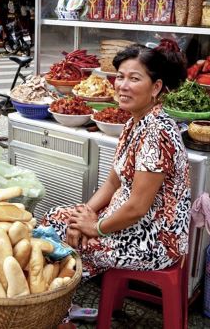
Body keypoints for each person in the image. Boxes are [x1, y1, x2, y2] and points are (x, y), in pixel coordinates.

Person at [42, 42, 191, 280]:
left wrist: (95, 227)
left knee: (63, 246)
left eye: (134, 78)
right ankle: (59, 303)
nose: (123, 85)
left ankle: (60, 309)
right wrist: (83, 215)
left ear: (156, 87)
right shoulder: (133, 122)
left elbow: (138, 207)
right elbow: (112, 183)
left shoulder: (157, 132)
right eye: (120, 77)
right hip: (124, 221)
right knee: (55, 220)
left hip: (154, 238)